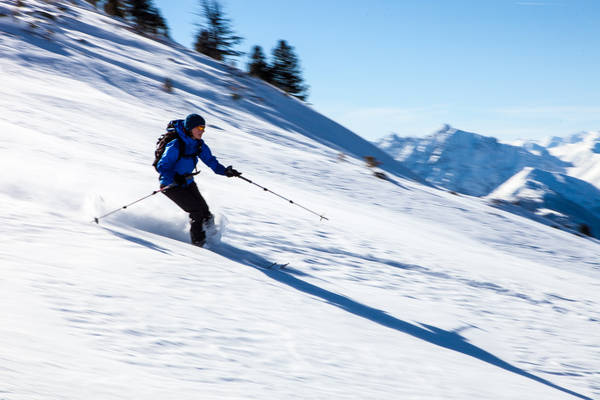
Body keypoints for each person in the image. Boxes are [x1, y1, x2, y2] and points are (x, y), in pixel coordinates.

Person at [156, 113, 241, 247]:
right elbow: (162, 166)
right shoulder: (176, 144)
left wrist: (226, 171)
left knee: (206, 213)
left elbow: (211, 161)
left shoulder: (198, 144)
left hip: (187, 182)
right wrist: (175, 178)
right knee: (196, 212)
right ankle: (199, 246)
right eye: (199, 128)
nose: (203, 131)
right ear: (190, 128)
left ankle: (213, 241)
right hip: (171, 185)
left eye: (203, 128)